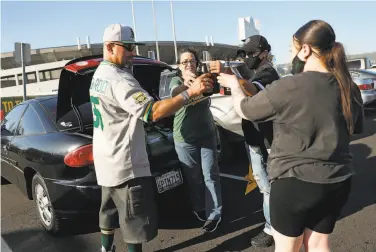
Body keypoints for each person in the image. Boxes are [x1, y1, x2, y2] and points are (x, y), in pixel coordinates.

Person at [217, 20, 363, 252]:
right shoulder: (348, 86)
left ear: (305, 50)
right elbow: (355, 127)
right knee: (318, 244)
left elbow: (246, 109)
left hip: (295, 183)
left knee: (287, 248)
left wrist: (234, 85)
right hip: (338, 180)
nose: (290, 54)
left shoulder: (289, 86)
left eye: (292, 49)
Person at [90, 24, 213, 252]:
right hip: (126, 165)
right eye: (126, 47)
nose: (132, 52)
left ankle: (105, 249)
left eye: (133, 47)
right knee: (134, 225)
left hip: (106, 161)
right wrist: (190, 93)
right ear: (109, 46)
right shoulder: (120, 80)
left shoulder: (99, 74)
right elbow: (152, 112)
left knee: (107, 212)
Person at [210, 35, 280, 248]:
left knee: (268, 187)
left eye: (251, 54)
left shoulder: (268, 73)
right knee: (265, 185)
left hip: (264, 141)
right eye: (245, 54)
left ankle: (272, 228)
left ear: (264, 53)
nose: (247, 58)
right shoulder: (257, 71)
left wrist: (230, 76)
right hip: (256, 139)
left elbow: (252, 89)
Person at [169, 48, 222, 233]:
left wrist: (205, 81)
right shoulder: (176, 81)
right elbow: (175, 92)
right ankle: (199, 207)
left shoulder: (203, 78)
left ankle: (214, 213)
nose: (189, 64)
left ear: (197, 63)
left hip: (206, 135)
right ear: (179, 66)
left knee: (211, 175)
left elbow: (211, 89)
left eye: (191, 61)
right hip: (185, 138)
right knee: (193, 178)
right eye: (184, 62)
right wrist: (188, 86)